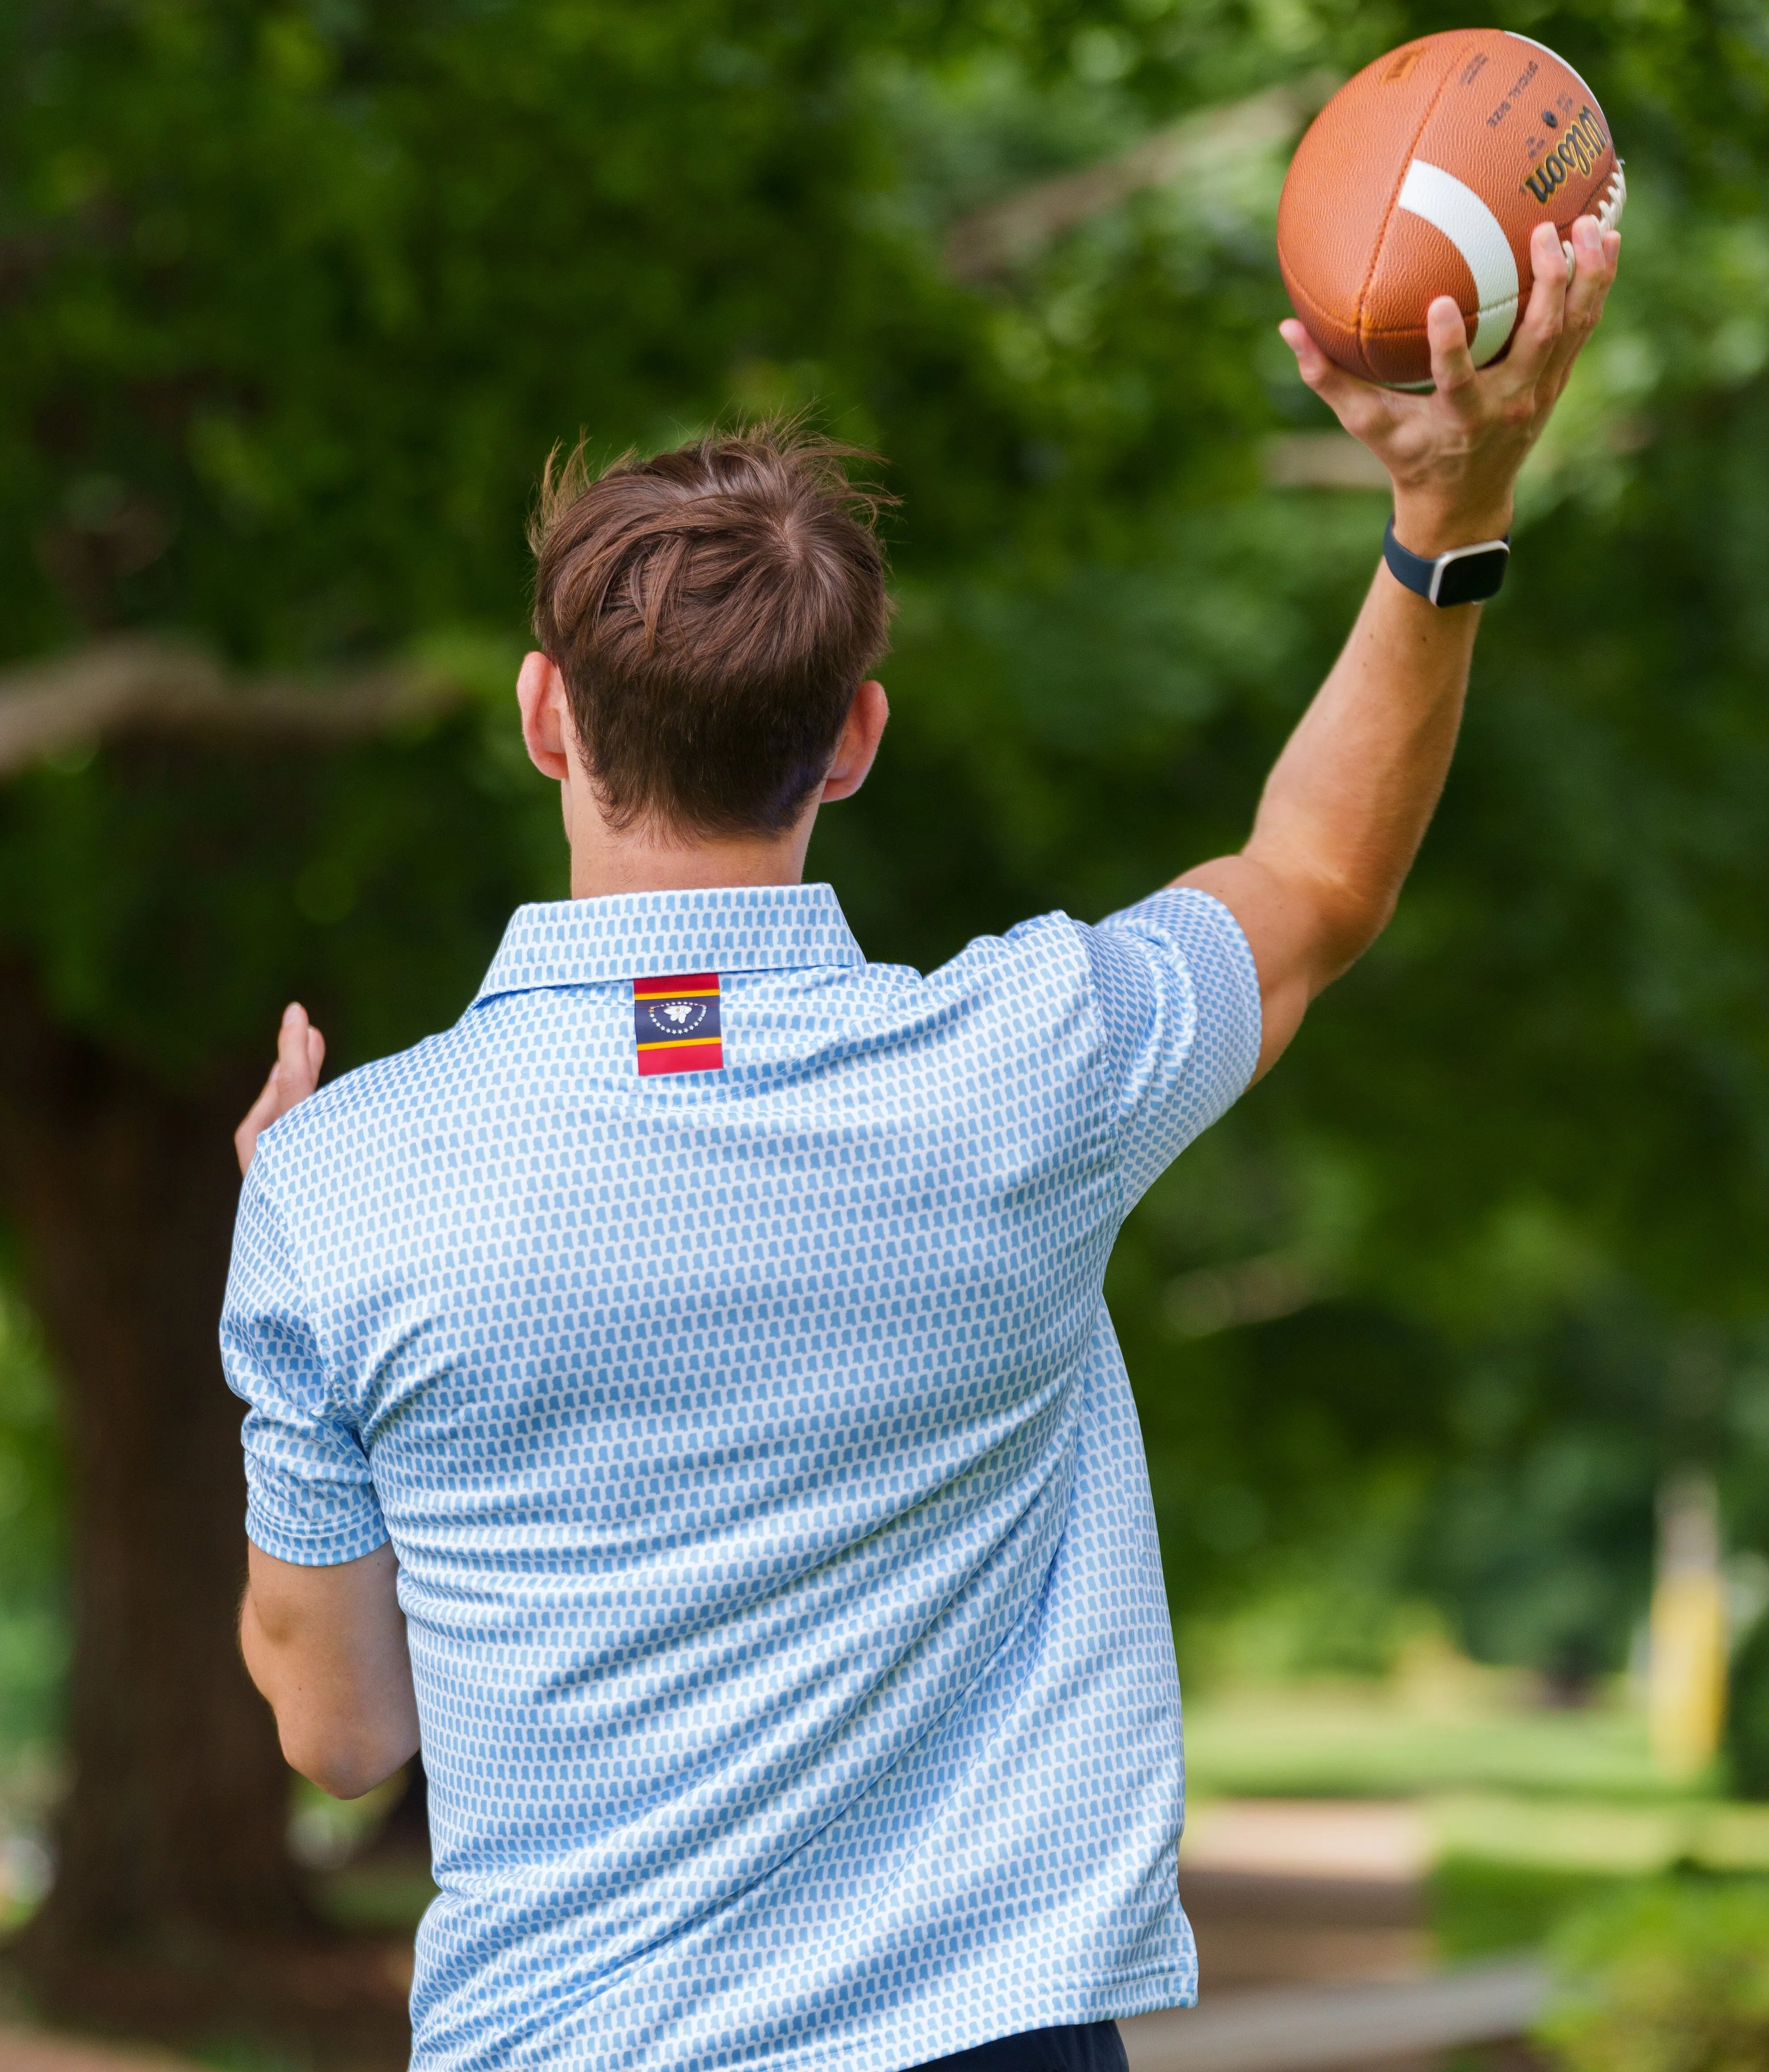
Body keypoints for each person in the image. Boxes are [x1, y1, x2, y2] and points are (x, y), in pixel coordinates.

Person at [223, 215, 1620, 2072]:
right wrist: (1449, 512)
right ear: (856, 736)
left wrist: (304, 1223)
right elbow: (1310, 879)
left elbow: (342, 1737)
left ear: (543, 715)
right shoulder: (1028, 1071)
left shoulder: (342, 1187)